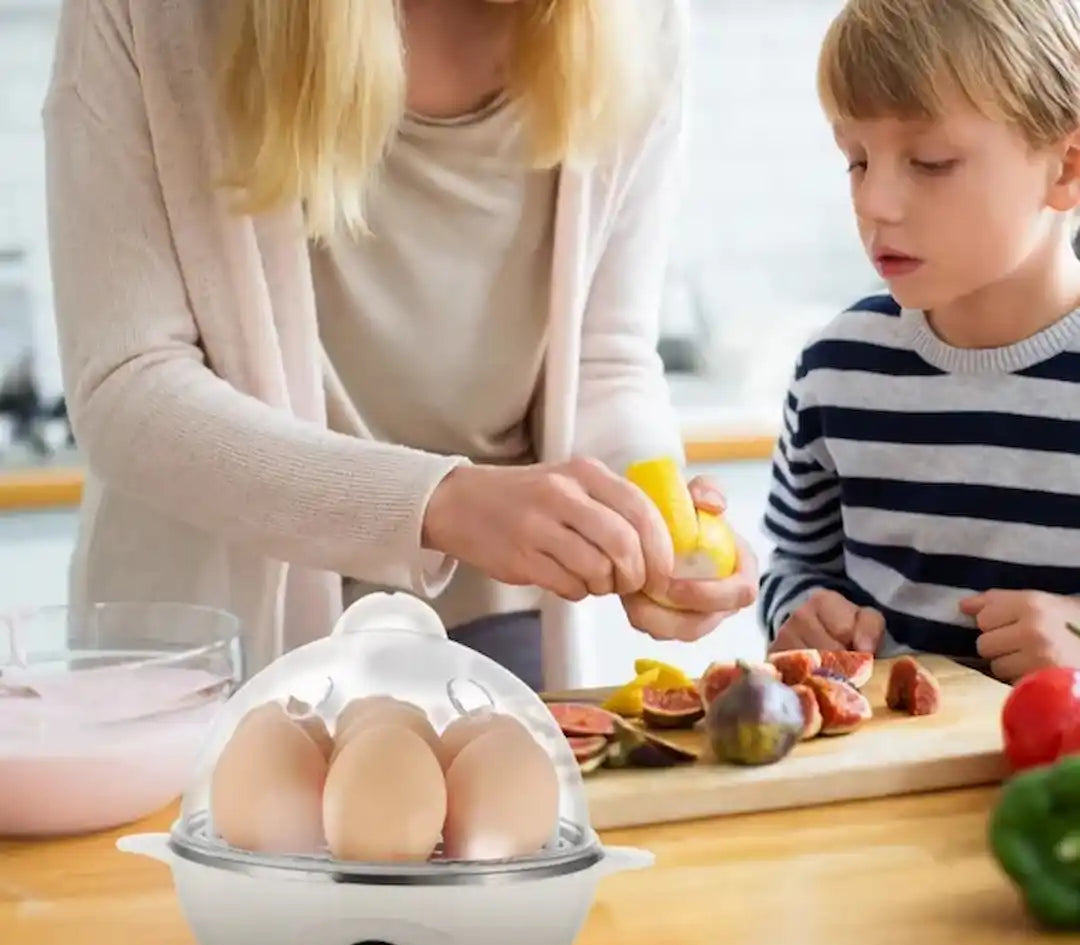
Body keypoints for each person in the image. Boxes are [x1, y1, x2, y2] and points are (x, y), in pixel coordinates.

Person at [42, 0, 760, 693]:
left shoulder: (637, 20)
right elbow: (130, 386)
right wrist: (438, 505)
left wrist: (642, 512)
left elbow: (605, 359)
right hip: (211, 654)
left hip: (488, 629)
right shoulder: (152, 15)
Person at [759, 0, 1080, 684]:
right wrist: (804, 610)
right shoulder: (835, 370)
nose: (875, 202)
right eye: (857, 161)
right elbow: (793, 563)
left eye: (930, 162)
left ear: (1067, 169)